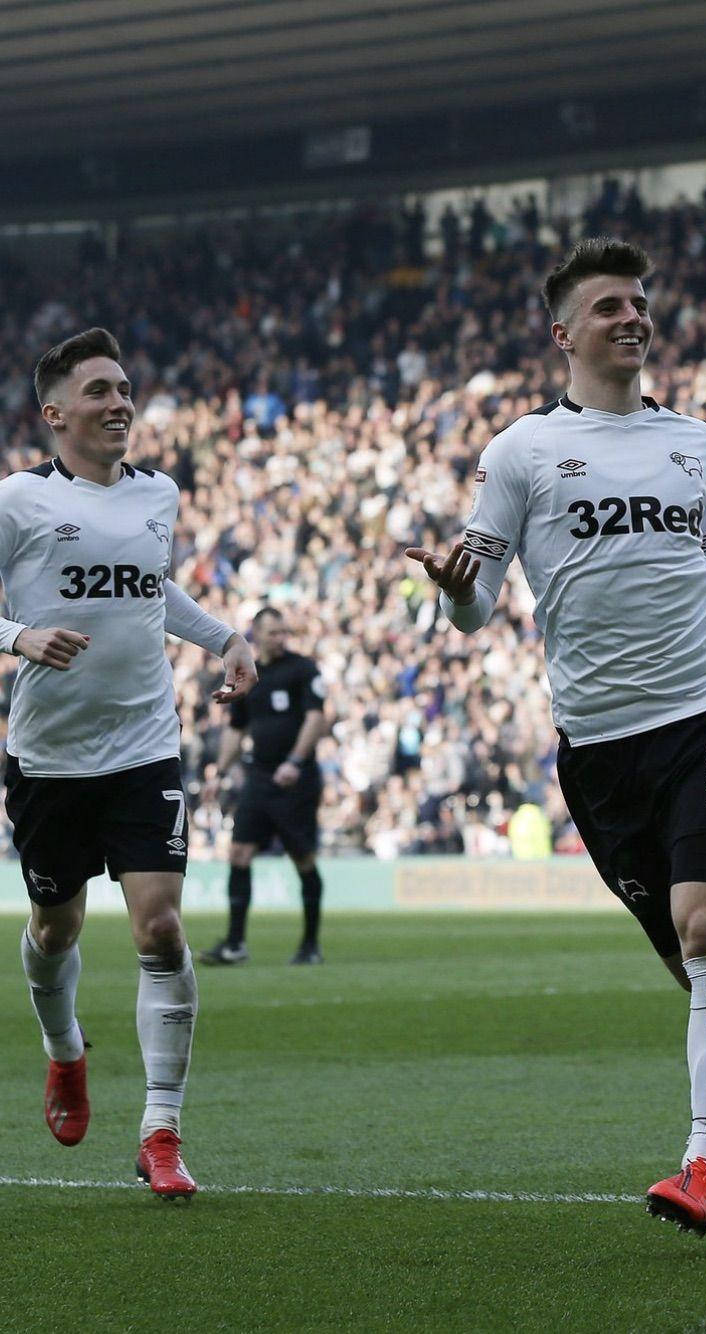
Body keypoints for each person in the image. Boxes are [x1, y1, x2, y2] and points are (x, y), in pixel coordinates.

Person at [407, 236, 706, 1237]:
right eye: (609, 306)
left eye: (639, 301)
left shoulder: (694, 441)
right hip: (599, 748)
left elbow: (693, 572)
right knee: (697, 958)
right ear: (564, 332)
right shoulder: (517, 452)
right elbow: (474, 609)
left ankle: (701, 1164)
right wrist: (460, 597)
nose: (632, 315)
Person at [1, 328, 257, 1199]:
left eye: (125, 389)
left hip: (145, 745)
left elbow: (154, 589)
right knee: (54, 930)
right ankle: (65, 1052)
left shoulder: (159, 493)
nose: (121, 404)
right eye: (101, 391)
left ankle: (161, 1131)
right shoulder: (19, 502)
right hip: (48, 758)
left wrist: (224, 637)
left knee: (159, 928)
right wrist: (20, 635)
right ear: (55, 412)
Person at [199, 607, 328, 967]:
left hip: (295, 782)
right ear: (255, 634)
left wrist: (295, 762)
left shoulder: (303, 670)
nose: (280, 638)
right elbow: (236, 729)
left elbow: (317, 719)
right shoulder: (249, 675)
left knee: (303, 859)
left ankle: (310, 945)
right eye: (272, 632)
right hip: (259, 779)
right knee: (239, 854)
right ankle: (235, 944)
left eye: (283, 631)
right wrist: (220, 773)